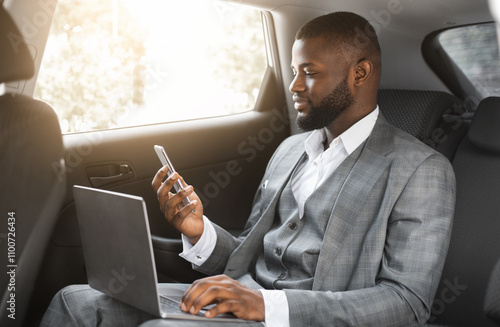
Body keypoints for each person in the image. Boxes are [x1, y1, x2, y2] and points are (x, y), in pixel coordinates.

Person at [40, 11, 455, 327]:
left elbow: (407, 304)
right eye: (293, 72)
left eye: (308, 73)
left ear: (359, 73)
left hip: (297, 319)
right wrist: (198, 231)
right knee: (74, 302)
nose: (293, 86)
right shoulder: (291, 149)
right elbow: (245, 257)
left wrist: (265, 305)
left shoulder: (421, 170)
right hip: (238, 301)